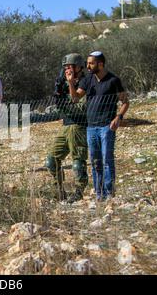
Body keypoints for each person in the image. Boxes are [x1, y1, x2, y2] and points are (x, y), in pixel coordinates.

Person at [67, 51, 129, 201]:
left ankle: (109, 193)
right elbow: (75, 98)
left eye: (91, 63)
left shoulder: (113, 80)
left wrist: (118, 118)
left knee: (107, 160)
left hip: (107, 127)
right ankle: (99, 193)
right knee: (95, 161)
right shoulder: (88, 80)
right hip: (91, 127)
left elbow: (125, 102)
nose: (87, 66)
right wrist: (70, 82)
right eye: (87, 63)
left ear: (100, 64)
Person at [46, 53, 88, 203]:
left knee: (77, 161)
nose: (67, 70)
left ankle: (79, 191)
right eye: (65, 67)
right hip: (66, 124)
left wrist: (71, 84)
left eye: (70, 67)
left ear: (78, 67)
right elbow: (61, 104)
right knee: (51, 160)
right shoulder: (63, 82)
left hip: (79, 125)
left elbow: (79, 105)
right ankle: (58, 189)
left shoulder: (86, 81)